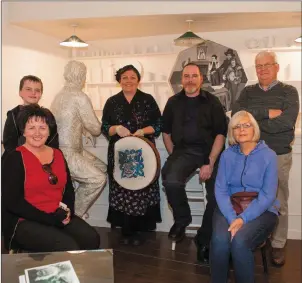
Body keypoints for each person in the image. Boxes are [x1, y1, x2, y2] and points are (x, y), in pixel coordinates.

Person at [2, 104, 100, 252]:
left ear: (49, 131)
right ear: (23, 131)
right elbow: (13, 202)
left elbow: (68, 190)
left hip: (56, 213)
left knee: (91, 239)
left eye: (42, 127)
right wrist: (50, 219)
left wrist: (68, 212)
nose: (37, 133)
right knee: (67, 246)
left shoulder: (58, 154)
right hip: (25, 219)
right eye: (31, 128)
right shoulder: (15, 158)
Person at [232, 51, 299, 266]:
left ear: (277, 67)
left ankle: (278, 245)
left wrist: (253, 123)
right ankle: (255, 238)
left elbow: (286, 123)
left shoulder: (289, 92)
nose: (262, 69)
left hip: (278, 155)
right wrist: (267, 112)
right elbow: (237, 115)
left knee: (278, 200)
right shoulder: (248, 91)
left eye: (267, 65)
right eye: (258, 66)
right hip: (249, 156)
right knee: (248, 199)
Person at [161, 62, 228, 263]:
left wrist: (210, 162)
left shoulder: (213, 101)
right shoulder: (173, 102)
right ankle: (182, 220)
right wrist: (175, 156)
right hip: (183, 151)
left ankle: (203, 239)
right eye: (187, 76)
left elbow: (220, 134)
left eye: (194, 76)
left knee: (217, 197)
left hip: (211, 152)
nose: (190, 79)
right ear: (182, 79)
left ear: (201, 78)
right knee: (170, 179)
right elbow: (166, 133)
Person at [210, 110, 279, 283]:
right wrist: (233, 217)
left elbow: (268, 194)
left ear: (254, 128)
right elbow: (220, 189)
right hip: (230, 205)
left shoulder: (269, 155)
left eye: (246, 125)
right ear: (232, 132)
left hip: (262, 208)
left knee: (240, 241)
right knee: (219, 241)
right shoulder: (227, 155)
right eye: (236, 126)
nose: (241, 129)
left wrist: (242, 219)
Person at [101, 64, 162, 246]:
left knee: (141, 187)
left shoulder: (148, 100)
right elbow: (104, 127)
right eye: (125, 77)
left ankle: (140, 230)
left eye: (132, 77)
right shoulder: (112, 102)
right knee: (123, 187)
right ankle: (126, 229)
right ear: (119, 80)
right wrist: (116, 128)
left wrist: (143, 131)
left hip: (144, 152)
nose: (128, 81)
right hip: (120, 153)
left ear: (138, 80)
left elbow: (159, 124)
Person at [51, 60, 107, 218]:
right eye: (84, 75)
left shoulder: (58, 96)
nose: (85, 79)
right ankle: (74, 215)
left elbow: (64, 120)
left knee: (103, 168)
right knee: (98, 178)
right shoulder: (79, 97)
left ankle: (69, 203)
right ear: (81, 76)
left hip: (65, 151)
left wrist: (81, 128)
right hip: (68, 153)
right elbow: (96, 128)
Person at [2, 75, 59, 162]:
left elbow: (53, 141)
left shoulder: (48, 115)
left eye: (37, 90)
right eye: (28, 89)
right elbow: (9, 144)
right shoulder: (13, 115)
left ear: (41, 94)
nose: (33, 93)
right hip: (18, 161)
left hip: (43, 160)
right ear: (20, 92)